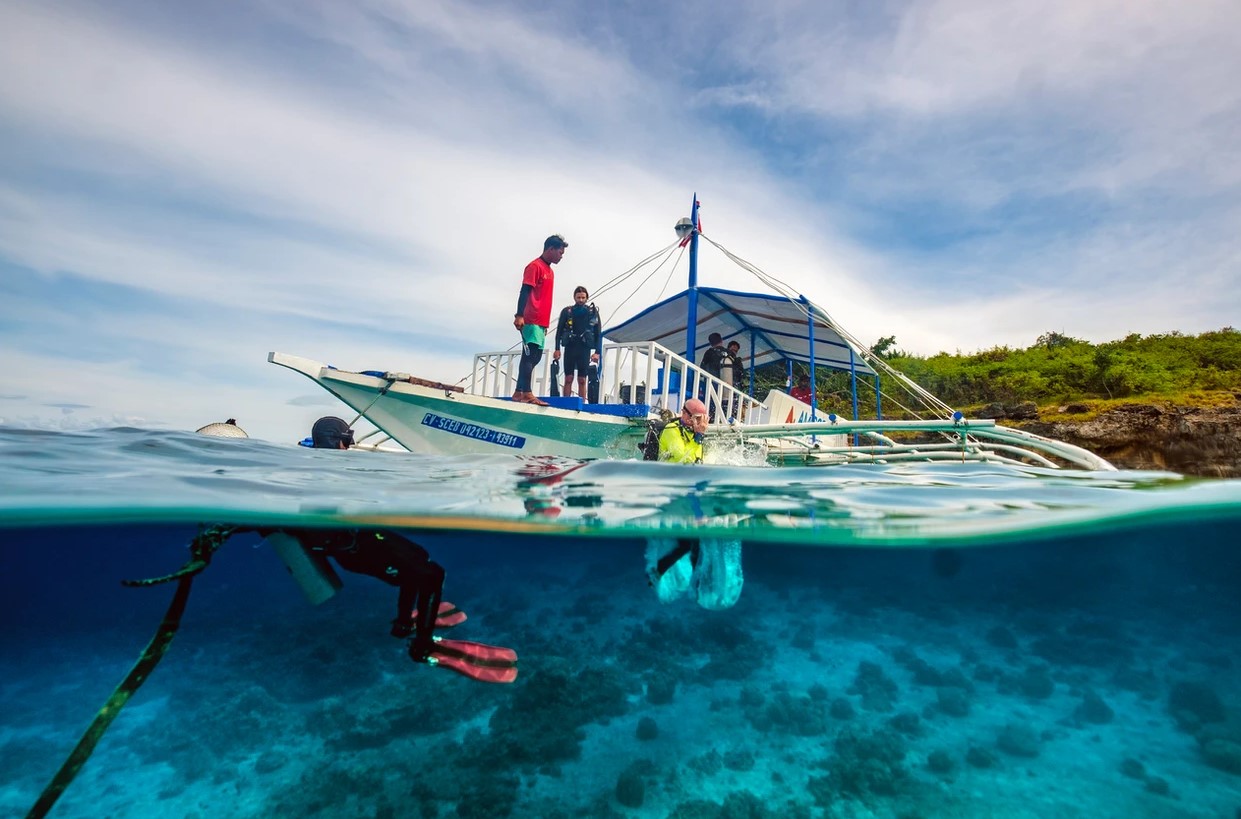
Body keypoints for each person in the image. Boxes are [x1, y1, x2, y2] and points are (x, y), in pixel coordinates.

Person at [268, 528, 518, 683]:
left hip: (357, 547)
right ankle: (422, 644)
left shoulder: (302, 528)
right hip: (361, 548)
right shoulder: (316, 529)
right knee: (431, 575)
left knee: (419, 570)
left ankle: (406, 624)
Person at [513, 234, 568, 406]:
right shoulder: (534, 266)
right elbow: (524, 291)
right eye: (560, 252)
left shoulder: (550, 271)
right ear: (550, 249)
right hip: (530, 318)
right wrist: (519, 315)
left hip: (541, 321)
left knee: (533, 356)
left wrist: (545, 324)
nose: (561, 256)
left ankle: (518, 391)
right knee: (531, 355)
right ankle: (527, 393)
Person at [553, 285, 601, 401]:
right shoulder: (567, 311)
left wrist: (597, 352)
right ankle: (566, 403)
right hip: (570, 347)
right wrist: (557, 348)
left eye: (583, 297)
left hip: (584, 348)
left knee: (582, 379)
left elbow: (598, 332)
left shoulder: (592, 312)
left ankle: (582, 404)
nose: (580, 300)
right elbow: (559, 330)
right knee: (568, 378)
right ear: (574, 297)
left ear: (586, 298)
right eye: (578, 297)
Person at [659, 398, 709, 463]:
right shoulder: (671, 429)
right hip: (671, 472)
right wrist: (698, 438)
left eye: (703, 419)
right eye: (697, 418)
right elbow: (682, 459)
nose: (701, 423)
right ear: (684, 413)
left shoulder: (695, 432)